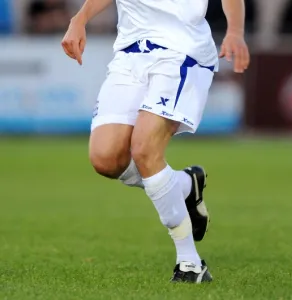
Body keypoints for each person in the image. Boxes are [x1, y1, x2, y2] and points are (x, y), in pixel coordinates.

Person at [61, 0, 250, 283]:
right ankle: (186, 184)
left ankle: (190, 263)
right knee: (106, 159)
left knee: (145, 149)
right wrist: (80, 18)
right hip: (130, 53)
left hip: (181, 51)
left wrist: (235, 31)